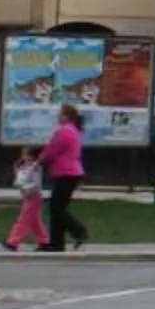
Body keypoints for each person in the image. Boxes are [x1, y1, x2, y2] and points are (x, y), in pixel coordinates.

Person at [40, 102, 91, 252]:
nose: (57, 116)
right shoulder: (73, 130)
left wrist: (39, 161)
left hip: (66, 173)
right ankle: (56, 243)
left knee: (57, 208)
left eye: (60, 113)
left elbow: (52, 150)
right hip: (69, 173)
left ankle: (79, 231)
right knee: (58, 208)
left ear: (66, 116)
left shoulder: (64, 131)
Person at [5, 147, 48, 253]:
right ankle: (44, 241)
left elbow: (36, 184)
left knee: (23, 219)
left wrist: (24, 188)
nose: (24, 157)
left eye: (26, 155)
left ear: (32, 156)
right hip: (27, 196)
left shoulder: (35, 168)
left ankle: (13, 242)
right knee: (35, 222)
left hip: (33, 196)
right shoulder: (25, 167)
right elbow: (20, 180)